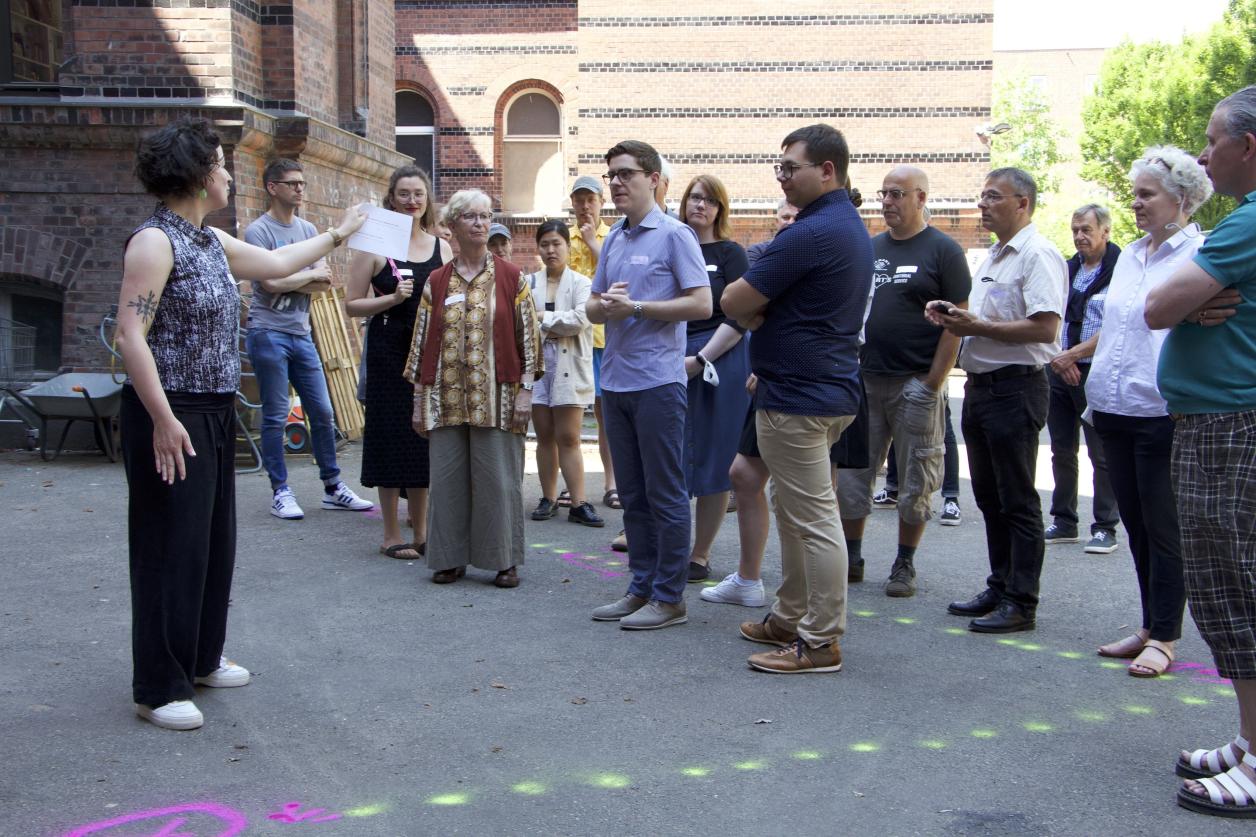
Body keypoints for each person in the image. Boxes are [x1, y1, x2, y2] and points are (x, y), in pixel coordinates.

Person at [115, 117, 366, 730]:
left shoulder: (209, 241)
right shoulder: (154, 242)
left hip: (214, 407)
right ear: (199, 176)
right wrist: (163, 418)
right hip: (170, 410)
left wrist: (339, 233)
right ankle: (158, 685)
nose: (229, 173)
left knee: (210, 543)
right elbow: (130, 335)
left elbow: (279, 261)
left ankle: (200, 657)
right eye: (222, 164)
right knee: (167, 547)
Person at [1143, 86, 1256, 818]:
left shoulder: (1247, 223)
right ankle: (1250, 740)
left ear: (1248, 146)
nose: (1204, 154)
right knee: (1230, 585)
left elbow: (1157, 303)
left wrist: (1188, 296)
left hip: (1227, 426)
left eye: (1213, 141)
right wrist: (1195, 296)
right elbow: (1169, 299)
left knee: (1234, 586)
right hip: (1218, 422)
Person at [722, 123, 872, 673]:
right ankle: (789, 617)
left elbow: (734, 298)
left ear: (827, 171)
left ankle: (821, 640)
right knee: (796, 511)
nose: (782, 177)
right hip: (819, 390)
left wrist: (759, 308)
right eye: (779, 166)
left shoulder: (810, 232)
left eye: (791, 167)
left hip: (799, 397)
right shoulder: (844, 224)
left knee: (812, 518)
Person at [1088, 147, 1211, 678]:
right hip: (1113, 406)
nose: (1135, 204)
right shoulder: (1131, 254)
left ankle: (1165, 635)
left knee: (1163, 527)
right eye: (1134, 193)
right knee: (1135, 524)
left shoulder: (1199, 252)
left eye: (1146, 195)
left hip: (1162, 409)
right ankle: (1148, 624)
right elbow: (1118, 329)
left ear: (1181, 199)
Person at [928, 167, 1066, 634]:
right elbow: (988, 319)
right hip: (983, 387)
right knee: (988, 496)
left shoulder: (1038, 254)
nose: (982, 204)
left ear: (1022, 203)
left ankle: (1021, 602)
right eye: (982, 196)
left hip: (1016, 387)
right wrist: (956, 317)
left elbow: (1046, 328)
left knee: (1017, 498)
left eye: (993, 197)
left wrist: (977, 327)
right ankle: (1000, 584)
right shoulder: (993, 256)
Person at [587, 139, 712, 630]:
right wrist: (608, 304)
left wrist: (637, 307)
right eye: (611, 175)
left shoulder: (676, 235)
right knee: (633, 495)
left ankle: (670, 597)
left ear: (654, 179)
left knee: (665, 493)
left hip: (659, 383)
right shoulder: (614, 237)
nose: (616, 183)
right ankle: (640, 587)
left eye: (626, 174)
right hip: (616, 383)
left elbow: (702, 304)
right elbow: (595, 305)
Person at [837, 165, 970, 597]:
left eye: (897, 194)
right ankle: (852, 556)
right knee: (855, 475)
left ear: (921, 198)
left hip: (916, 383)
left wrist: (933, 383)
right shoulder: (870, 248)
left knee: (918, 477)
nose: (887, 201)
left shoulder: (943, 251)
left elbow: (956, 324)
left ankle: (903, 564)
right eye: (884, 193)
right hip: (866, 382)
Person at [405, 190, 543, 587]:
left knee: (498, 481)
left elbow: (529, 337)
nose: (481, 223)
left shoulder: (511, 277)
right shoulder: (437, 281)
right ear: (452, 226)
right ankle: (449, 558)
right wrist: (418, 401)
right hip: (444, 398)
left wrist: (525, 391)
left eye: (486, 216)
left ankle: (503, 560)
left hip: (498, 398)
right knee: (447, 480)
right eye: (471, 217)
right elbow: (421, 342)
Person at [243, 158, 373, 520]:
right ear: (273, 188)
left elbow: (325, 281)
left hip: (301, 333)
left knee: (322, 410)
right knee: (274, 415)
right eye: (292, 183)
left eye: (302, 183)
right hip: (268, 332)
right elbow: (269, 282)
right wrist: (307, 275)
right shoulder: (259, 232)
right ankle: (280, 491)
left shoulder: (308, 229)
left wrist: (298, 276)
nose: (300, 188)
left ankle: (332, 487)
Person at [346, 166, 451, 560]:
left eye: (418, 194)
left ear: (427, 200)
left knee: (423, 438)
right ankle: (391, 533)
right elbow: (351, 304)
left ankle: (422, 531)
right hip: (388, 352)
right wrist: (390, 299)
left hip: (429, 352)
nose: (411, 201)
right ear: (391, 199)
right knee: (390, 438)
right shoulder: (374, 247)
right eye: (404, 194)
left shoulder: (442, 248)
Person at [677, 174, 750, 582]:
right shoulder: (672, 244)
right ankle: (665, 542)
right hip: (672, 349)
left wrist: (701, 358)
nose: (699, 205)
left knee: (714, 456)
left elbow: (740, 317)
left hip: (719, 356)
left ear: (720, 209)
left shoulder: (730, 254)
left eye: (708, 200)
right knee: (670, 453)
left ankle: (700, 554)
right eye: (694, 198)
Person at [1044, 204, 1121, 553]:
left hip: (1095, 368)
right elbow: (1050, 316)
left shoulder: (1121, 269)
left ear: (1105, 231)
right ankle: (1064, 520)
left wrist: (1074, 355)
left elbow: (1117, 327)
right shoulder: (1066, 268)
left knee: (1101, 452)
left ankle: (1105, 526)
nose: (1079, 236)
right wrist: (1060, 359)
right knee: (1061, 448)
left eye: (1086, 230)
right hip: (1059, 367)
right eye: (1075, 230)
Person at [525, 220, 603, 528]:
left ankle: (580, 503)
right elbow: (522, 321)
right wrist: (552, 322)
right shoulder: (529, 282)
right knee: (544, 435)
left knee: (569, 436)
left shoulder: (582, 283)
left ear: (568, 248)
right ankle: (548, 497)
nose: (551, 250)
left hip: (570, 365)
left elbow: (580, 319)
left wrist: (544, 318)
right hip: (538, 365)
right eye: (545, 244)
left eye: (557, 243)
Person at [567, 175, 619, 513]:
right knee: (566, 417)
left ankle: (612, 482)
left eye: (591, 200)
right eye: (579, 200)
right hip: (573, 338)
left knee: (606, 415)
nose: (585, 206)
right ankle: (572, 488)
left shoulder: (614, 236)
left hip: (605, 338)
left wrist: (592, 244)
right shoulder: (561, 237)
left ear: (602, 202)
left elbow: (617, 276)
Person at [876, 402, 963, 525]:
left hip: (928, 385)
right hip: (897, 384)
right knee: (896, 424)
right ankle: (893, 489)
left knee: (943, 429)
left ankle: (951, 498)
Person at [746, 199, 798, 266]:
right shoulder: (758, 252)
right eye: (786, 217)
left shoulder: (812, 252)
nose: (791, 222)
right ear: (776, 222)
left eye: (797, 218)